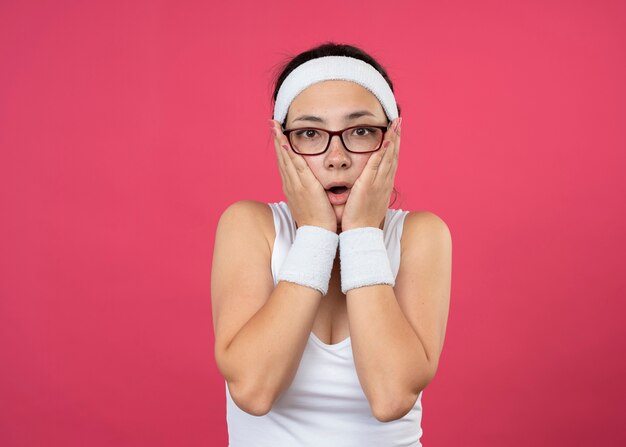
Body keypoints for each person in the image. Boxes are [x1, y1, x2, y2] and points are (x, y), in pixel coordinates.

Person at [211, 42, 452, 446]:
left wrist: (360, 231)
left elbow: (391, 397)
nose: (336, 157)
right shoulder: (250, 226)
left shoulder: (421, 235)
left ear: (391, 138)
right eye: (309, 133)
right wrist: (316, 234)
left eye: (360, 131)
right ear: (282, 144)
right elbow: (253, 391)